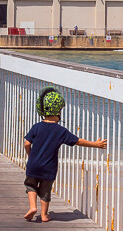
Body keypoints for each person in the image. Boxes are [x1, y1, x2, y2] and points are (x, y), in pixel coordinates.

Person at [24, 88, 107, 222]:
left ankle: (32, 207)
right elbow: (77, 141)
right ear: (59, 111)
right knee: (45, 191)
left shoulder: (36, 127)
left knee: (31, 185)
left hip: (33, 164)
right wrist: (95, 144)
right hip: (49, 168)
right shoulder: (61, 131)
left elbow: (27, 143)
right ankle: (44, 215)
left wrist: (30, 155)